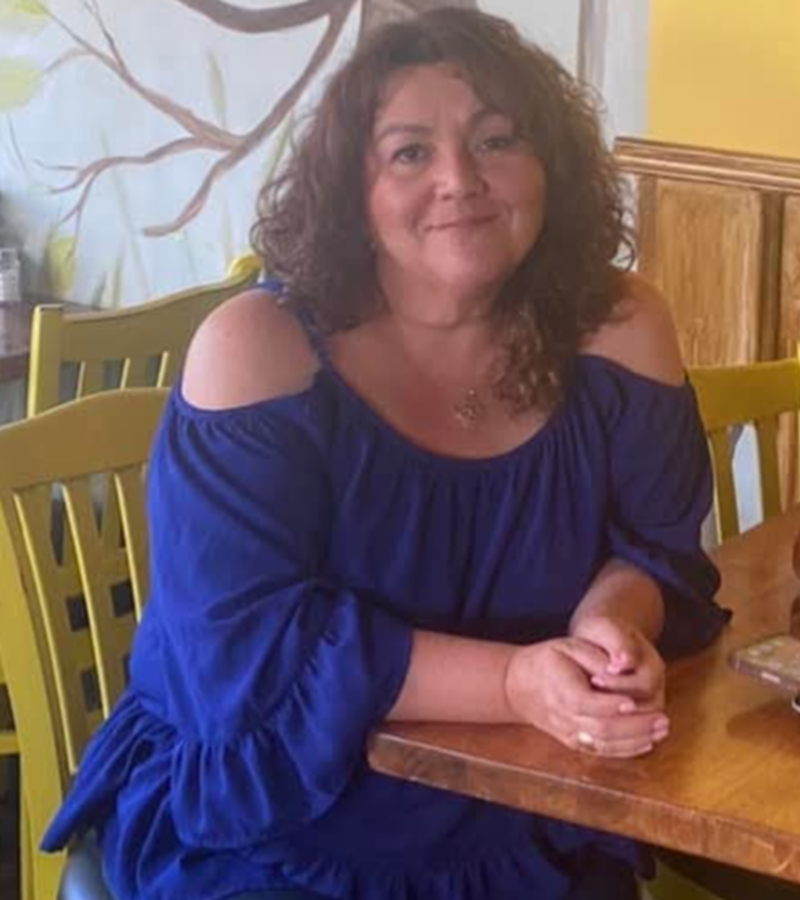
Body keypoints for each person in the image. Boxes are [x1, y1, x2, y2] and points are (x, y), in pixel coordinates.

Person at [42, 9, 729, 900]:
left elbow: (654, 547)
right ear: (350, 190)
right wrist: (515, 682)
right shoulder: (258, 351)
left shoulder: (621, 329)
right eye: (409, 152)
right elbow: (248, 653)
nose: (459, 179)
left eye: (497, 140)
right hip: (275, 807)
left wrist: (610, 627)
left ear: (551, 167)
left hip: (534, 795)